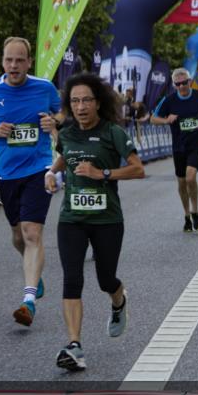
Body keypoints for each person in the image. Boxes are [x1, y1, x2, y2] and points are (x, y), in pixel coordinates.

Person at [46, 73, 145, 371]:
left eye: (86, 100)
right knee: (72, 278)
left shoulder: (113, 132)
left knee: (105, 279)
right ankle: (74, 345)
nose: (80, 106)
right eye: (75, 101)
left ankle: (118, 301)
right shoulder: (67, 133)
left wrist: (102, 174)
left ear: (98, 102)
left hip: (107, 219)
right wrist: (51, 172)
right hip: (72, 218)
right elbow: (65, 157)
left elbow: (138, 169)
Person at [0, 36, 61, 326]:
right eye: (9, 60)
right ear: (3, 62)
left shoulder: (44, 88)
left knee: (33, 233)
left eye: (20, 60)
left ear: (29, 62)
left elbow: (61, 111)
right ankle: (34, 271)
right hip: (7, 173)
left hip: (39, 167)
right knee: (19, 237)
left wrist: (54, 122)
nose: (14, 65)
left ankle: (28, 300)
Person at [151, 67, 198, 233]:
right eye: (177, 84)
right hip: (178, 147)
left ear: (190, 82)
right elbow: (153, 119)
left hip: (196, 143)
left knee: (190, 177)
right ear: (174, 85)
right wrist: (166, 120)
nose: (181, 87)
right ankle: (187, 215)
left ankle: (195, 211)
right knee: (181, 182)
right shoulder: (169, 100)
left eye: (184, 83)